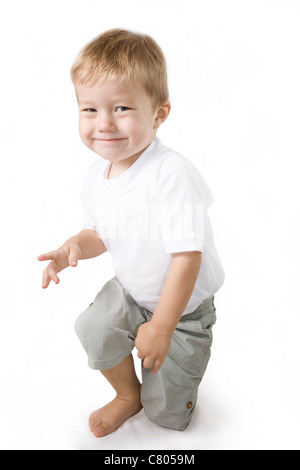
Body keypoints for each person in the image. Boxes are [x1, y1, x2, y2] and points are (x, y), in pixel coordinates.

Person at [37, 28, 224, 438]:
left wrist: (162, 327)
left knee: (167, 417)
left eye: (121, 108)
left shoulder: (172, 175)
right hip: (133, 292)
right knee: (93, 328)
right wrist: (72, 247)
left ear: (159, 114)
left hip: (184, 309)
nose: (104, 123)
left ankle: (164, 392)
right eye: (89, 110)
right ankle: (127, 393)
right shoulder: (96, 177)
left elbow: (186, 258)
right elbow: (101, 234)